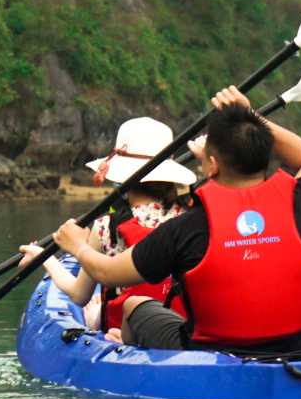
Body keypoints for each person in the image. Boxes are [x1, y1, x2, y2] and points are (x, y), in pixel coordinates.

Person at [47, 85, 301, 354]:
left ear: (211, 165)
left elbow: (108, 273)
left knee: (135, 304)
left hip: (212, 353)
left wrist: (78, 247)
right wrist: (251, 117)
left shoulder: (189, 227)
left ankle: (129, 351)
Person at [27, 117, 193, 334]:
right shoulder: (190, 217)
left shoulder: (106, 227)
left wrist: (45, 258)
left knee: (91, 307)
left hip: (126, 330)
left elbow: (79, 295)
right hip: (181, 329)